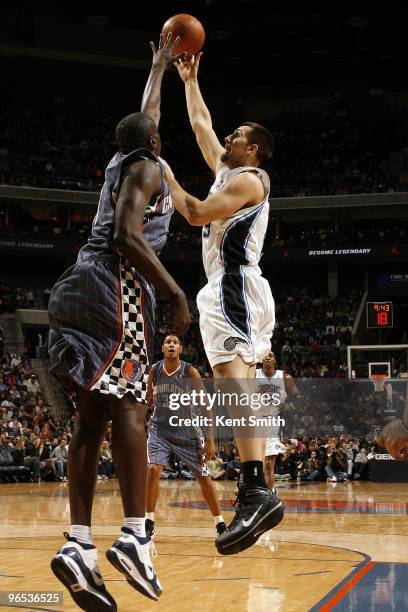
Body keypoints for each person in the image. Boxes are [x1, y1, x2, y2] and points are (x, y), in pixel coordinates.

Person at [48, 34, 190, 611]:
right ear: (155, 146)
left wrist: (157, 68)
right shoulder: (150, 168)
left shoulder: (123, 158)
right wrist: (174, 288)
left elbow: (145, 119)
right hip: (116, 284)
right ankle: (135, 535)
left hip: (79, 280)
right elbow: (129, 236)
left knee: (90, 416)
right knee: (132, 402)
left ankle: (79, 544)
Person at [165, 52, 283, 555]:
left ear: (252, 149)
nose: (226, 140)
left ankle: (257, 490)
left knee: (238, 387)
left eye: (235, 136)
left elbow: (192, 213)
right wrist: (190, 79)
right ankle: (256, 489)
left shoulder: (249, 181)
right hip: (222, 287)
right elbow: (199, 122)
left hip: (234, 284)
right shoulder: (226, 170)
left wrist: (162, 173)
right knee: (233, 389)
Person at [145, 335, 226, 539]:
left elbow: (206, 407)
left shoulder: (189, 371)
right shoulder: (154, 370)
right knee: (153, 468)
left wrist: (210, 440)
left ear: (180, 349)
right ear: (163, 348)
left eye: (175, 342)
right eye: (167, 342)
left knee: (203, 477)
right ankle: (148, 521)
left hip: (186, 431)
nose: (171, 344)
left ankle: (220, 524)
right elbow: (146, 402)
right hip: (159, 429)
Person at [256, 351, 298, 488]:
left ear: (275, 361)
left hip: (272, 423)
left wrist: (288, 406)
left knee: (269, 463)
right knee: (256, 464)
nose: (267, 357)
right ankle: (259, 494)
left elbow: (300, 400)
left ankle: (269, 496)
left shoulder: (285, 377)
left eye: (271, 356)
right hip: (254, 422)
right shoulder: (252, 375)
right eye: (265, 355)